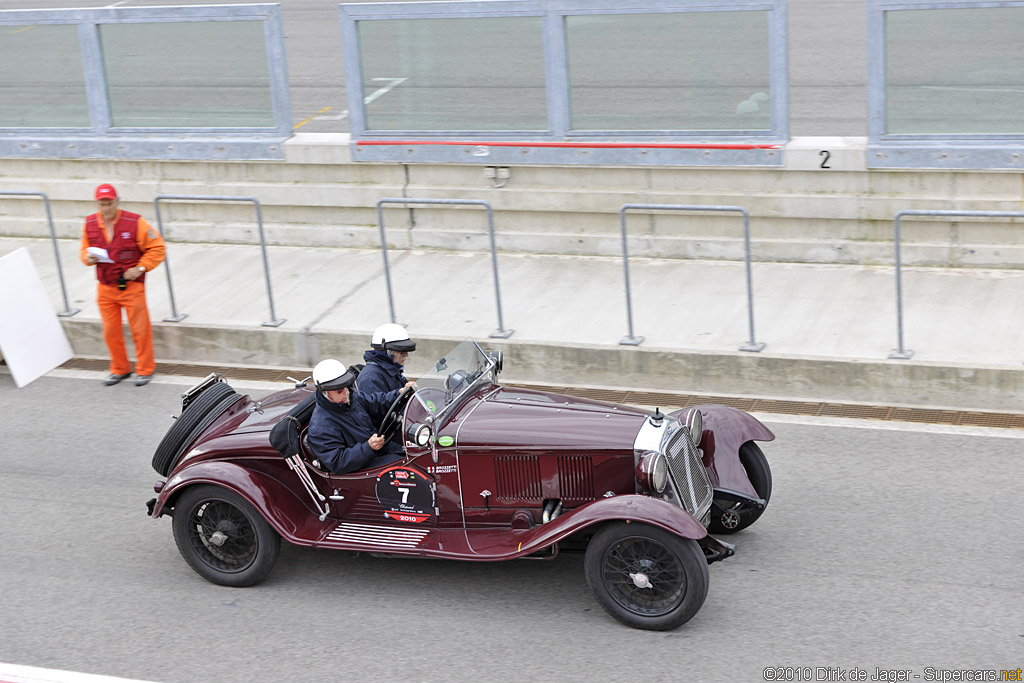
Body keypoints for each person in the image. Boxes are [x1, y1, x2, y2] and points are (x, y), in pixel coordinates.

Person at [80, 183, 166, 386]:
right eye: (103, 204)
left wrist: (140, 268)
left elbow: (158, 248)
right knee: (111, 331)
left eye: (110, 203)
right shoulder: (90, 223)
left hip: (132, 286)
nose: (106, 207)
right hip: (105, 287)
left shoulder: (135, 222)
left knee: (140, 329)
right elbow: (83, 251)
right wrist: (88, 258)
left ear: (117, 201)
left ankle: (145, 369)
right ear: (97, 204)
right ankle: (119, 369)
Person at [306, 358, 416, 475]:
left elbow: (376, 402)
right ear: (325, 393)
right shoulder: (320, 426)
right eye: (339, 391)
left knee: (419, 452)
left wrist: (400, 393)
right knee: (410, 470)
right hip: (362, 467)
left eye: (347, 386)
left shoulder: (353, 397)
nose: (346, 393)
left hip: (380, 450)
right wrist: (368, 447)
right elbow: (337, 462)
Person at [358, 323, 416, 395]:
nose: (406, 355)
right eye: (401, 351)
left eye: (406, 351)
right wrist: (400, 393)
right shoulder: (371, 378)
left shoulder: (392, 372)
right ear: (387, 352)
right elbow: (377, 405)